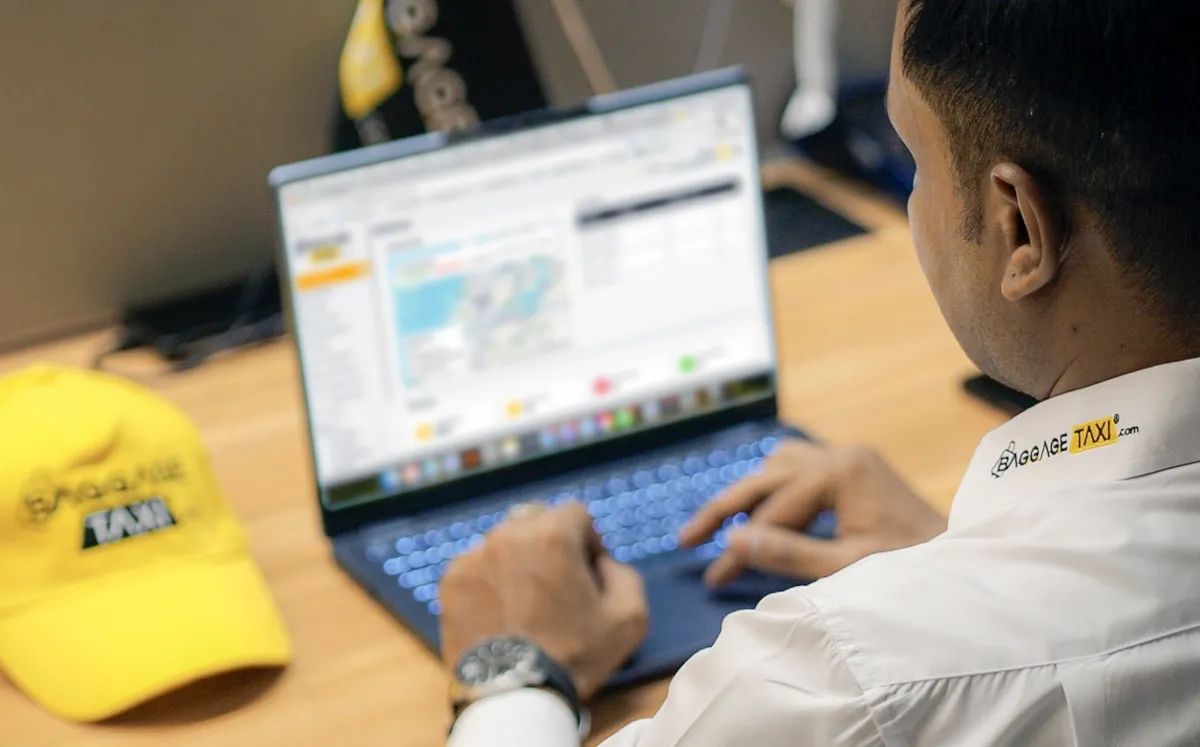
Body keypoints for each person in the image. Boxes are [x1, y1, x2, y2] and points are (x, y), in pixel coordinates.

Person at [440, 0, 1200, 743]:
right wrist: (959, 553)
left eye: (914, 156)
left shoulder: (850, 684)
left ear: (1019, 228)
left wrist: (514, 673)